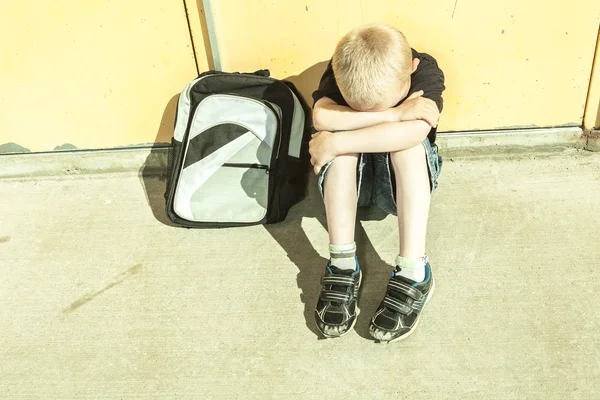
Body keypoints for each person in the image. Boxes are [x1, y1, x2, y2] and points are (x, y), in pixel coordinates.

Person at [309, 23, 445, 342]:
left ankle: (414, 271)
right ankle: (342, 263)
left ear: (411, 70)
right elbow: (322, 117)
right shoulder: (344, 66)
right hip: (347, 187)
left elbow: (415, 132)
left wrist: (337, 142)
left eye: (385, 105)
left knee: (407, 145)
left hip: (401, 185)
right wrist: (394, 115)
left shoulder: (424, 71)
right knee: (340, 145)